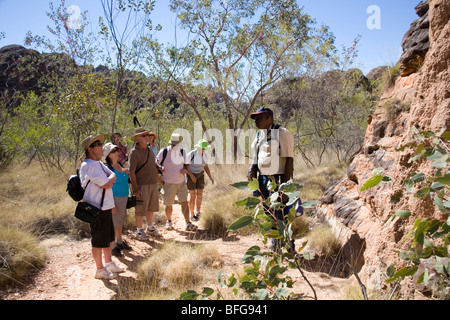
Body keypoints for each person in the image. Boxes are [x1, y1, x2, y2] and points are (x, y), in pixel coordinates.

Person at [247, 107, 295, 250]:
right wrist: (252, 168)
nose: (256, 121)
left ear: (269, 117)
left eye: (259, 118)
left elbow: (289, 160)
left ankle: (286, 245)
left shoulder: (282, 133)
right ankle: (276, 242)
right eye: (255, 119)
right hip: (262, 179)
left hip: (277, 178)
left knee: (280, 212)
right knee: (269, 211)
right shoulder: (259, 134)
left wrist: (285, 187)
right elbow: (255, 153)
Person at [79, 134, 125, 280]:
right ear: (90, 149)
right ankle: (99, 269)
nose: (101, 146)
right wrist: (109, 180)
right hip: (96, 208)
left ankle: (109, 263)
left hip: (105, 207)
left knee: (108, 238)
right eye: (97, 144)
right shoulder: (88, 165)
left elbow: (113, 176)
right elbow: (107, 183)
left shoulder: (98, 163)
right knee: (98, 240)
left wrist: (109, 180)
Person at [156, 133, 197, 231]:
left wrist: (185, 170)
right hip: (168, 183)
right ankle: (169, 221)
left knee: (184, 202)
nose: (175, 146)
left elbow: (187, 165)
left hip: (181, 182)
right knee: (168, 204)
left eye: (176, 144)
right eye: (173, 144)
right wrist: (160, 170)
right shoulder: (164, 151)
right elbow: (155, 163)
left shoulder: (183, 152)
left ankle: (187, 223)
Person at [128, 128, 162, 240]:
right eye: (143, 135)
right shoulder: (134, 152)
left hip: (152, 182)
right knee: (140, 207)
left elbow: (153, 162)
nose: (147, 137)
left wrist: (159, 168)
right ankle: (139, 230)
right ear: (137, 138)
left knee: (151, 206)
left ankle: (150, 227)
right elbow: (131, 171)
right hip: (142, 184)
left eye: (147, 134)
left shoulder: (149, 149)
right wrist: (135, 188)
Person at [103, 142, 132, 257]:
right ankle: (113, 246)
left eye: (117, 150)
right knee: (114, 223)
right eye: (114, 151)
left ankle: (119, 241)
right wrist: (111, 205)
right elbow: (105, 188)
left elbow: (123, 175)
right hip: (114, 198)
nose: (117, 152)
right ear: (108, 154)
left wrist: (126, 171)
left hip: (123, 197)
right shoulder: (106, 168)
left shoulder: (119, 164)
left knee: (119, 221)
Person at [186, 139, 214, 221]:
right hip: (190, 174)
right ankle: (192, 214)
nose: (204, 150)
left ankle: (198, 212)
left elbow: (206, 167)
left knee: (200, 194)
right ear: (198, 147)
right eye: (202, 148)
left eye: (205, 148)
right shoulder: (191, 154)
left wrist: (210, 177)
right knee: (192, 195)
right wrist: (191, 176)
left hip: (200, 175)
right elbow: (185, 166)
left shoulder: (205, 155)